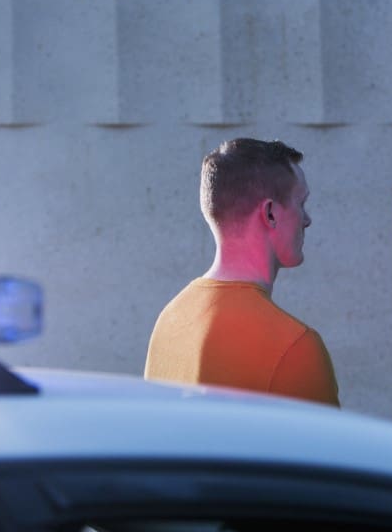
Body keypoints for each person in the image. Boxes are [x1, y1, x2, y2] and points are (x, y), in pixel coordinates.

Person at [145, 138, 339, 407]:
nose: (307, 220)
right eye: (301, 204)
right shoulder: (295, 347)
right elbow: (323, 449)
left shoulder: (171, 318)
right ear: (270, 213)